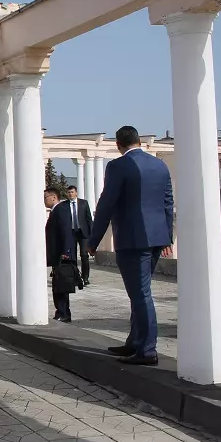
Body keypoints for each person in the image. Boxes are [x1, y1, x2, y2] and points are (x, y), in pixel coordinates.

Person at [88, 125, 173, 366]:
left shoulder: (118, 166)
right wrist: (167, 237)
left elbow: (107, 203)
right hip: (156, 238)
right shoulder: (160, 165)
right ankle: (135, 342)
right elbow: (168, 202)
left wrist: (94, 240)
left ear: (118, 144)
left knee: (141, 294)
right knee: (140, 292)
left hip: (132, 238)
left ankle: (147, 350)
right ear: (139, 141)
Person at [45, 187, 78, 323]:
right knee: (58, 285)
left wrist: (66, 252)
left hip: (62, 256)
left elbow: (66, 232)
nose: (44, 200)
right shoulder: (55, 211)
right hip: (57, 255)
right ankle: (61, 312)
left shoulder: (61, 210)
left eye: (45, 197)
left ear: (54, 197)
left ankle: (63, 313)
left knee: (61, 285)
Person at [65, 185, 94, 286]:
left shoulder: (83, 203)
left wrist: (91, 234)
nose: (70, 194)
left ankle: (85, 278)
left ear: (76, 193)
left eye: (72, 192)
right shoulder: (64, 205)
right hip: (71, 233)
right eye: (69, 192)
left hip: (83, 233)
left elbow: (89, 219)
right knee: (72, 256)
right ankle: (75, 277)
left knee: (84, 255)